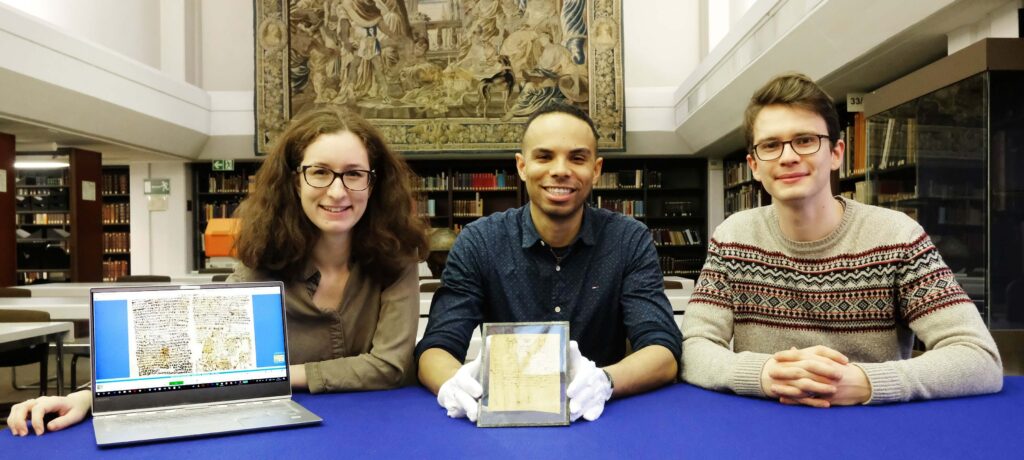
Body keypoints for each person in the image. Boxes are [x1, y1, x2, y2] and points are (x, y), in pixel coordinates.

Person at [7, 106, 428, 436]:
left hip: (382, 429)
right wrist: (87, 399)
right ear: (294, 180)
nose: (338, 191)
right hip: (287, 432)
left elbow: (389, 367)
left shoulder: (396, 258)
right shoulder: (262, 261)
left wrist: (272, 375)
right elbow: (190, 358)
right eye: (319, 172)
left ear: (373, 183)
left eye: (354, 174)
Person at [680, 72, 1002, 407]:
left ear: (836, 153)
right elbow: (693, 347)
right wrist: (762, 374)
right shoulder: (733, 238)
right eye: (771, 145)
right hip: (765, 428)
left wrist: (867, 382)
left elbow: (979, 357)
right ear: (755, 166)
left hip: (872, 429)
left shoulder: (897, 237)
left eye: (805, 140)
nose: (788, 156)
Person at [416, 102, 682, 423]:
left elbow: (663, 350)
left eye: (577, 157)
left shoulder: (629, 240)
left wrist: (605, 381)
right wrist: (451, 384)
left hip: (600, 417)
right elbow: (436, 346)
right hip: (503, 420)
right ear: (521, 166)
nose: (560, 169)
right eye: (544, 156)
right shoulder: (480, 241)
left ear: (596, 170)